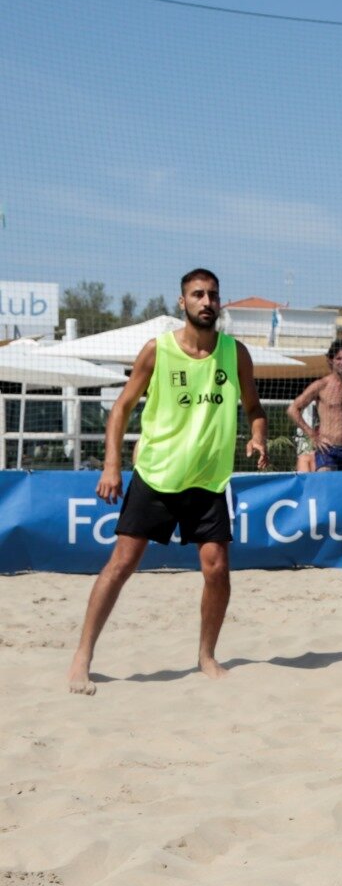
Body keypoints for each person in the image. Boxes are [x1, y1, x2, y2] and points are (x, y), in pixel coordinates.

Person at [67, 269, 267, 694]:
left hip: (208, 481)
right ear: (182, 303)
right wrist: (110, 466)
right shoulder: (157, 351)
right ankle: (82, 657)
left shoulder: (236, 354)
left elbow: (254, 408)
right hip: (157, 475)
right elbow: (120, 408)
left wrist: (258, 436)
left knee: (217, 569)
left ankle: (206, 656)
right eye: (197, 294)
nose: (206, 301)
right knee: (121, 565)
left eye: (213, 294)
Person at [289, 338, 342, 471]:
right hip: (328, 449)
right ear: (331, 360)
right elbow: (293, 409)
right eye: (339, 358)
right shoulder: (321, 386)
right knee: (326, 478)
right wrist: (313, 435)